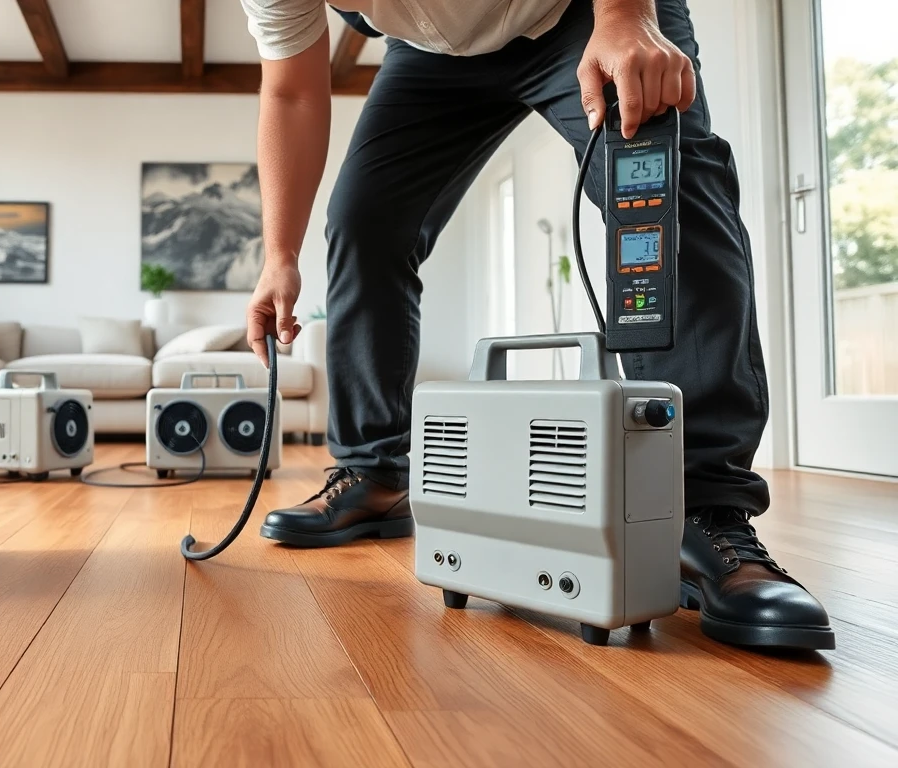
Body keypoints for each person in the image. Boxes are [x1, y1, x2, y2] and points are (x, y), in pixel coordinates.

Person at [239, 0, 834, 650]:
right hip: (436, 57)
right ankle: (374, 473)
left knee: (661, 182)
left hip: (582, 11)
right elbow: (293, 89)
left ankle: (702, 507)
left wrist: (629, 17)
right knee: (363, 224)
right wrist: (280, 256)